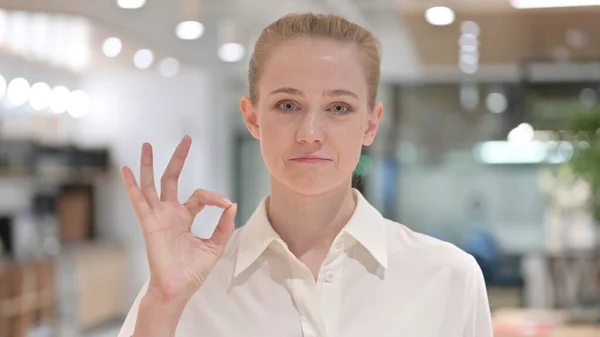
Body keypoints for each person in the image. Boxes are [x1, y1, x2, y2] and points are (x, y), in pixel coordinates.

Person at [117, 13, 493, 337]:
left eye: (339, 107)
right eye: (288, 105)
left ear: (370, 124)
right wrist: (164, 301)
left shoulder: (448, 277)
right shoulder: (188, 283)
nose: (311, 132)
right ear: (252, 117)